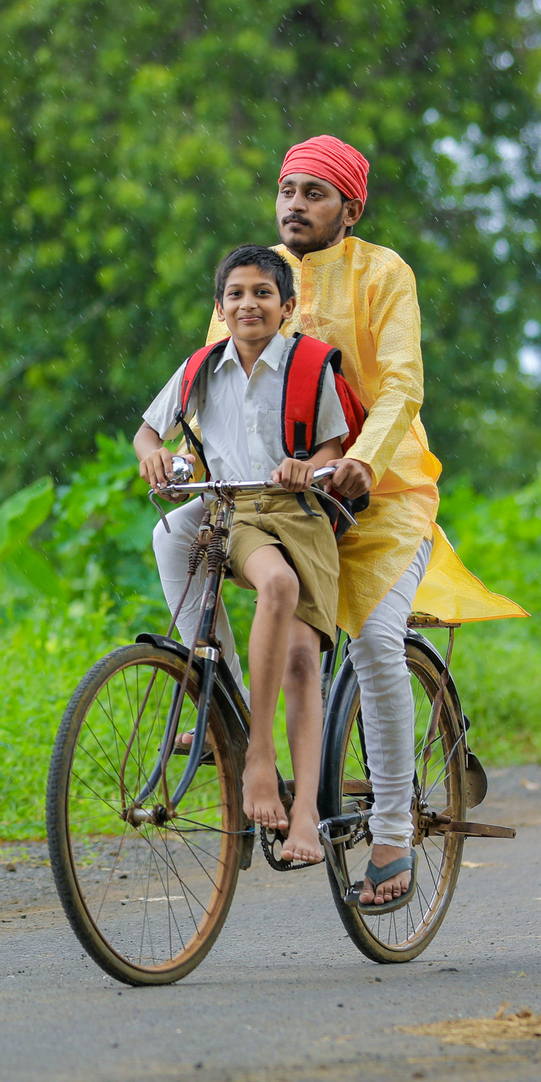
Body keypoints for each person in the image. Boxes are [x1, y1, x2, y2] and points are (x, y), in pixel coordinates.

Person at [193, 135, 523, 909]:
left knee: (375, 642)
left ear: (350, 207)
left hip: (378, 493)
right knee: (202, 560)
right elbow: (208, 380)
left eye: (313, 193)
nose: (293, 206)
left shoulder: (383, 273)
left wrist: (364, 460)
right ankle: (237, 727)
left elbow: (402, 382)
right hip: (279, 497)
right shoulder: (255, 278)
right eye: (286, 191)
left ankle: (391, 836)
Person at [133, 244, 348, 866]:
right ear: (219, 307)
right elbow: (151, 430)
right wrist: (153, 453)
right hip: (231, 510)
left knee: (304, 659)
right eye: (235, 294)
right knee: (172, 532)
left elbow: (335, 448)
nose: (248, 304)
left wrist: (308, 466)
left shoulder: (310, 367)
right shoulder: (201, 367)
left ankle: (302, 807)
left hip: (299, 515)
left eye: (262, 293)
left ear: (288, 305)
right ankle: (235, 717)